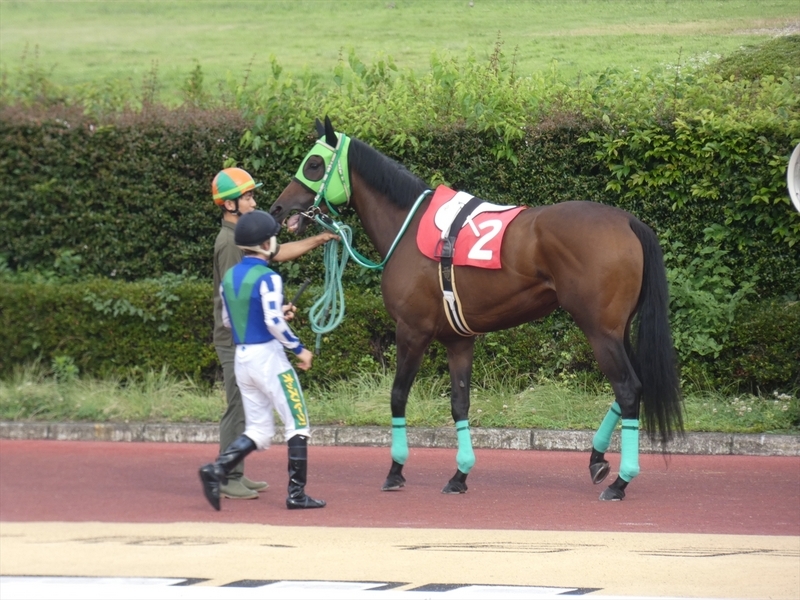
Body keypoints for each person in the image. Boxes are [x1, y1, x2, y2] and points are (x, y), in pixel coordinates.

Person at [211, 167, 336, 500]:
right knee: (238, 407)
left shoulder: (245, 236)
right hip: (238, 338)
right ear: (230, 205)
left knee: (251, 413)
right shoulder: (229, 243)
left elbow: (275, 254)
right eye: (247, 197)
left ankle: (234, 472)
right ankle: (227, 476)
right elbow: (239, 294)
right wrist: (284, 328)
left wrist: (319, 239)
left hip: (245, 334)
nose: (254, 202)